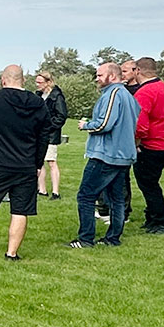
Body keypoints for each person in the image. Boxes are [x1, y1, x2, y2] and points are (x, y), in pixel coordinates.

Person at [0, 65, 49, 259]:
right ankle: (11, 253)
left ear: (3, 80)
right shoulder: (37, 102)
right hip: (26, 165)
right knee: (20, 210)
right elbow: (44, 135)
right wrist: (37, 164)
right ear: (24, 81)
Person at [66, 62, 139, 248]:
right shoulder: (128, 96)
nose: (96, 79)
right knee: (116, 199)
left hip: (106, 155)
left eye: (99, 75)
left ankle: (85, 239)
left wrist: (86, 126)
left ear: (112, 76)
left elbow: (104, 123)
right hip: (122, 154)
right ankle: (113, 238)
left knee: (86, 195)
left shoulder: (113, 94)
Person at [131, 57, 164, 234]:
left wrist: (135, 143)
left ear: (138, 71)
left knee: (149, 185)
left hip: (150, 145)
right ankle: (151, 218)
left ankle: (160, 223)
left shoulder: (144, 92)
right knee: (151, 183)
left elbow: (140, 125)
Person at [35, 70, 68, 200]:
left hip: (50, 135)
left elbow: (61, 116)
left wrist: (47, 127)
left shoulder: (57, 96)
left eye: (40, 82)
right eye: (36, 82)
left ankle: (56, 192)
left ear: (48, 82)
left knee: (51, 162)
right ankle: (41, 189)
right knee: (39, 162)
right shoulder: (38, 95)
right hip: (38, 134)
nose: (37, 84)